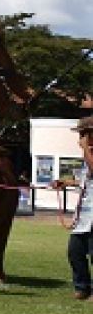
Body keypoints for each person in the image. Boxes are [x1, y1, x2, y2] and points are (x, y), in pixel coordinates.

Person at [54, 115, 93, 300]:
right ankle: (82, 287)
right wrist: (66, 182)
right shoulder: (88, 156)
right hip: (85, 215)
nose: (81, 138)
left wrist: (86, 148)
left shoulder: (89, 154)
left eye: (84, 134)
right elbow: (86, 181)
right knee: (75, 251)